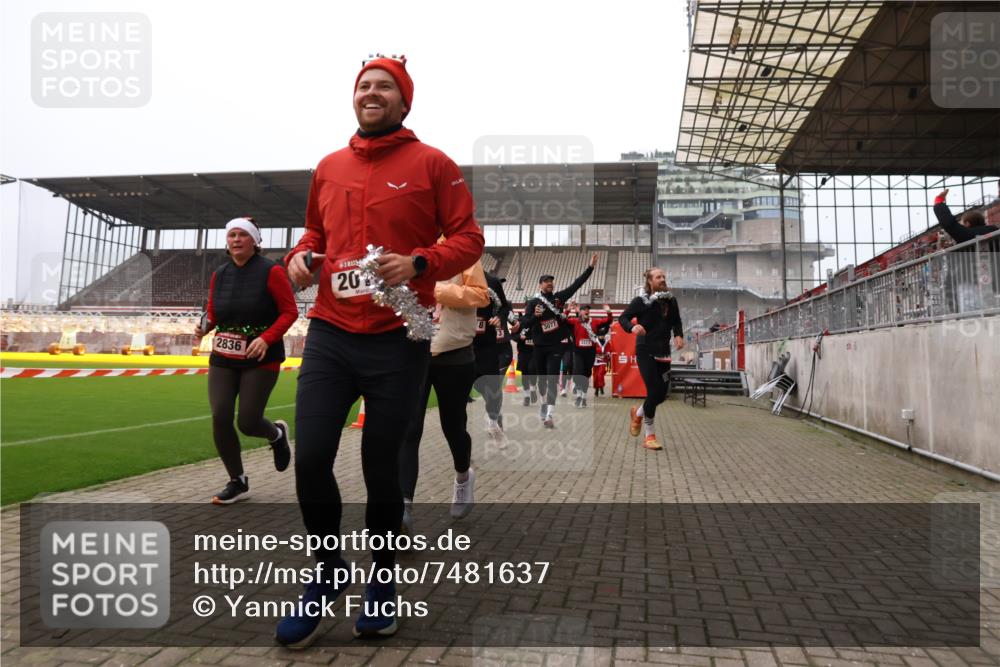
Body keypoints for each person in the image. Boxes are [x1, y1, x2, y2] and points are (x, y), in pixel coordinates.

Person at [275, 55, 484, 646]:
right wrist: (300, 258)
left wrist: (420, 261)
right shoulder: (328, 166)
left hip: (399, 340)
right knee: (313, 457)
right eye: (363, 86)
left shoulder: (432, 164)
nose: (371, 93)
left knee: (380, 468)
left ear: (403, 100)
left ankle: (383, 584)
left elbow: (469, 236)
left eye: (383, 86)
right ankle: (327, 572)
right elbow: (315, 236)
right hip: (332, 336)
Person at [194, 217, 297, 504]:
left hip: (260, 355)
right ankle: (237, 481)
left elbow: (289, 312)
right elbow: (214, 310)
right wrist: (206, 326)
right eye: (231, 235)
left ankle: (276, 434)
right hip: (223, 356)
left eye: (242, 235)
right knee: (220, 415)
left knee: (248, 422)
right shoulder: (220, 274)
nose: (236, 240)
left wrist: (266, 338)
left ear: (255, 241)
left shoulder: (272, 272)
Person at [400, 253, 488, 534]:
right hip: (414, 351)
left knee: (453, 425)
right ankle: (403, 506)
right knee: (409, 427)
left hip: (455, 353)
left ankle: (463, 477)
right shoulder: (404, 251)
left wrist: (435, 289)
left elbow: (480, 295)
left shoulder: (462, 257)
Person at [520, 255, 598, 428]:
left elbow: (576, 284)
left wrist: (590, 268)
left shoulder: (559, 299)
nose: (549, 283)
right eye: (546, 281)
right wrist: (536, 316)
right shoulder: (533, 303)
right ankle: (543, 404)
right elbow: (524, 323)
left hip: (555, 346)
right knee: (542, 380)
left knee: (552, 379)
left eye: (551, 281)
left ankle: (549, 414)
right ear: (540, 285)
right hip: (539, 346)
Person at [619, 268, 684, 451]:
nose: (663, 279)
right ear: (649, 281)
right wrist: (632, 327)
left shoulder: (671, 300)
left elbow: (676, 321)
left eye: (664, 276)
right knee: (654, 391)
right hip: (645, 350)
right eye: (658, 277)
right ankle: (649, 436)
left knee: (661, 395)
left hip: (664, 352)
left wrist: (678, 335)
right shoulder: (641, 301)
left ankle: (638, 413)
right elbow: (623, 318)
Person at [933, 189, 999, 312]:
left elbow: (949, 223)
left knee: (973, 320)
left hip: (971, 284)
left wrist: (939, 202)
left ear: (968, 224)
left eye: (963, 224)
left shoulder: (966, 235)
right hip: (995, 283)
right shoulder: (995, 233)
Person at [472, 272, 518, 440]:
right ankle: (494, 413)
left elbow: (512, 318)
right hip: (465, 345)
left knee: (493, 386)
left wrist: (503, 319)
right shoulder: (453, 279)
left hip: (496, 348)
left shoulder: (494, 287)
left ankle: (494, 418)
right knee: (476, 388)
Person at [565, 304, 613, 407]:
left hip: (590, 353)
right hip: (578, 352)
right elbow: (563, 321)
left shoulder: (595, 321)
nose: (587, 311)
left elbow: (608, 321)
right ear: (580, 312)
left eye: (588, 310)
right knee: (578, 374)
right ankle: (578, 396)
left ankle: (583, 397)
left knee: (586, 376)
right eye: (584, 310)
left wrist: (608, 311)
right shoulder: (575, 321)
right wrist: (567, 310)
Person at [515, 310, 538, 406]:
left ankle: (533, 389)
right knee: (524, 374)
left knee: (532, 370)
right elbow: (512, 334)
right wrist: (519, 337)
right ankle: (526, 396)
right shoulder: (520, 321)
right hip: (523, 351)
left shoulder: (538, 320)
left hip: (535, 351)